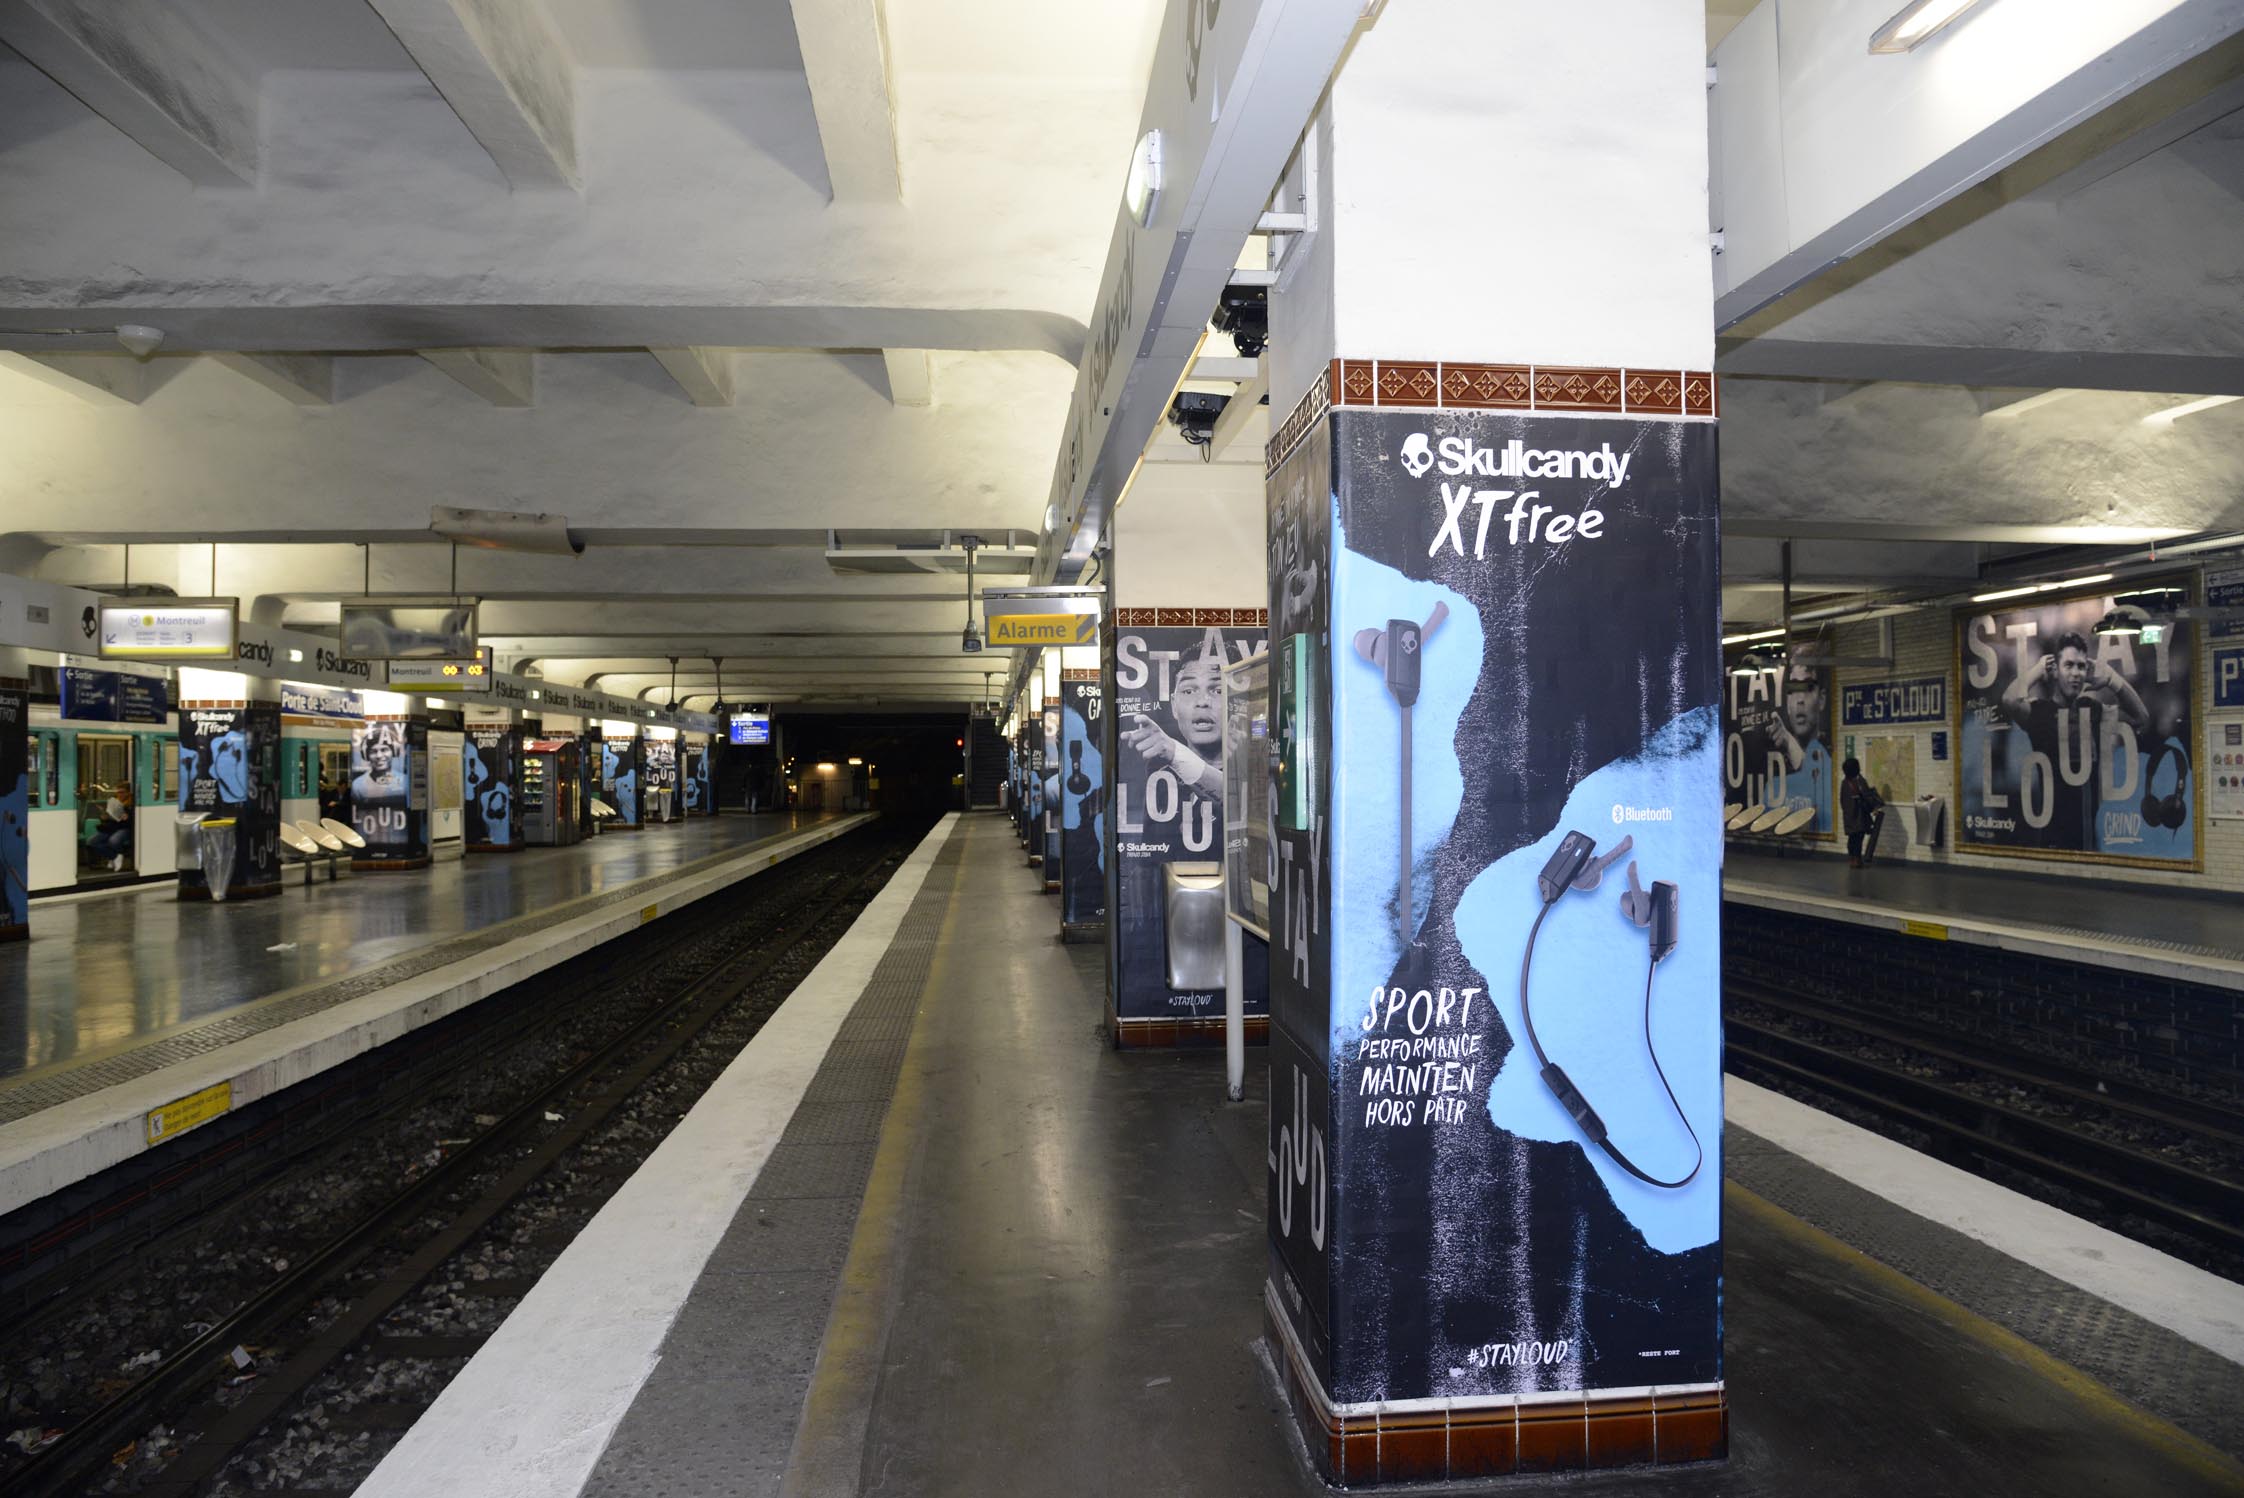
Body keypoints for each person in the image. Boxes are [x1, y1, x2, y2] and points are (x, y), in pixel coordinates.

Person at [1998, 631, 2148, 850]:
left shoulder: (2092, 709)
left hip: (2089, 836)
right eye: (2068, 665)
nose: (2076, 673)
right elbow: (2009, 699)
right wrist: (2038, 670)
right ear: (2055, 670)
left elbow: (2140, 717)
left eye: (2081, 666)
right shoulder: (2040, 712)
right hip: (2053, 837)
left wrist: (2111, 678)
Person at [1121, 643, 1226, 798]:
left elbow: (1240, 802)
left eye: (1218, 691)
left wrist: (1176, 754)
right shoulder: (1161, 781)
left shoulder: (1254, 768)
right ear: (1174, 705)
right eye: (1189, 691)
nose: (1202, 701)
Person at [1839, 757, 1881, 868]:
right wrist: (1875, 807)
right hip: (1859, 816)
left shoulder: (1844, 783)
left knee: (1852, 839)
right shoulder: (1860, 782)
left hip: (1848, 816)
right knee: (1858, 839)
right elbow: (1867, 797)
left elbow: (1842, 801)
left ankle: (1852, 859)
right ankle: (1857, 860)